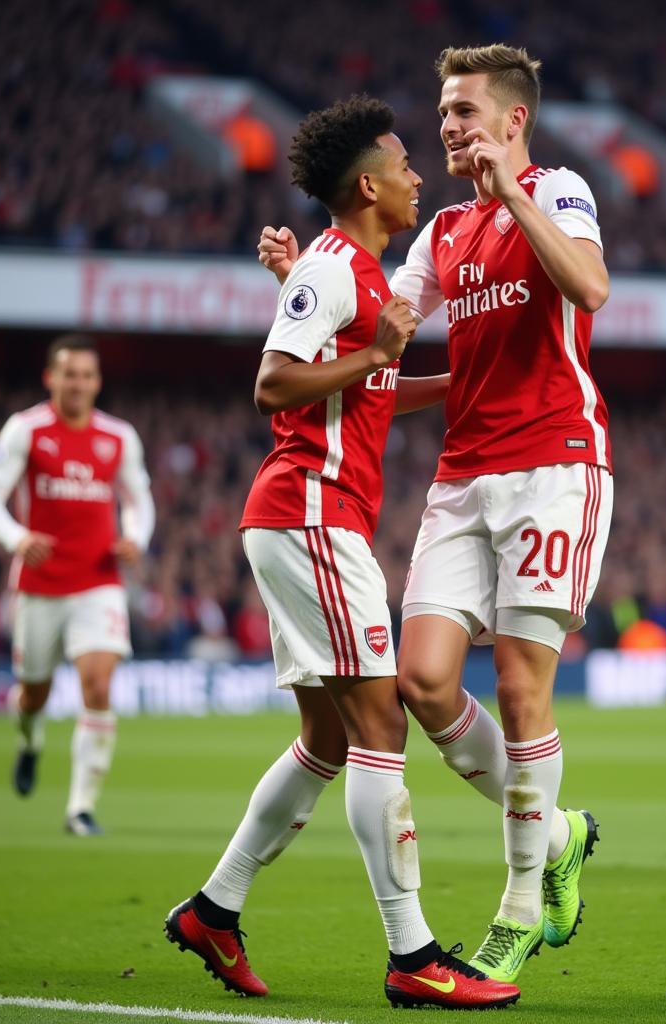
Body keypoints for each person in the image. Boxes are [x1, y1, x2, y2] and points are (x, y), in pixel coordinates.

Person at [259, 44, 612, 984]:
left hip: (555, 463)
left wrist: (516, 198)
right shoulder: (443, 231)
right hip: (463, 475)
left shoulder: (561, 189)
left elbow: (590, 290)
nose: (447, 128)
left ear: (513, 120)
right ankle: (562, 831)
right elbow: (377, 333)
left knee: (526, 687)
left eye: (462, 112)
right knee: (420, 683)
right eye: (443, 113)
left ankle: (519, 904)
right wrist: (305, 287)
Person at [165, 96, 519, 1011]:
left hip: (309, 521)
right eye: (403, 164)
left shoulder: (351, 272)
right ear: (368, 184)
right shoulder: (335, 270)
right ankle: (413, 955)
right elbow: (273, 383)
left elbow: (373, 389)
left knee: (329, 735)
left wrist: (457, 378)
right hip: (311, 515)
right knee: (383, 726)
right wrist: (373, 354)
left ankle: (216, 907)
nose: (416, 176)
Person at [0, 334, 155, 835]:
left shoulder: (119, 436)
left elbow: (139, 500)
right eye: (68, 374)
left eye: (87, 375)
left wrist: (134, 537)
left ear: (97, 382)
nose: (78, 384)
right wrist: (18, 536)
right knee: (33, 694)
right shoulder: (26, 430)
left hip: (99, 582)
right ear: (50, 378)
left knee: (98, 683)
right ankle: (29, 742)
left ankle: (80, 808)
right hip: (38, 584)